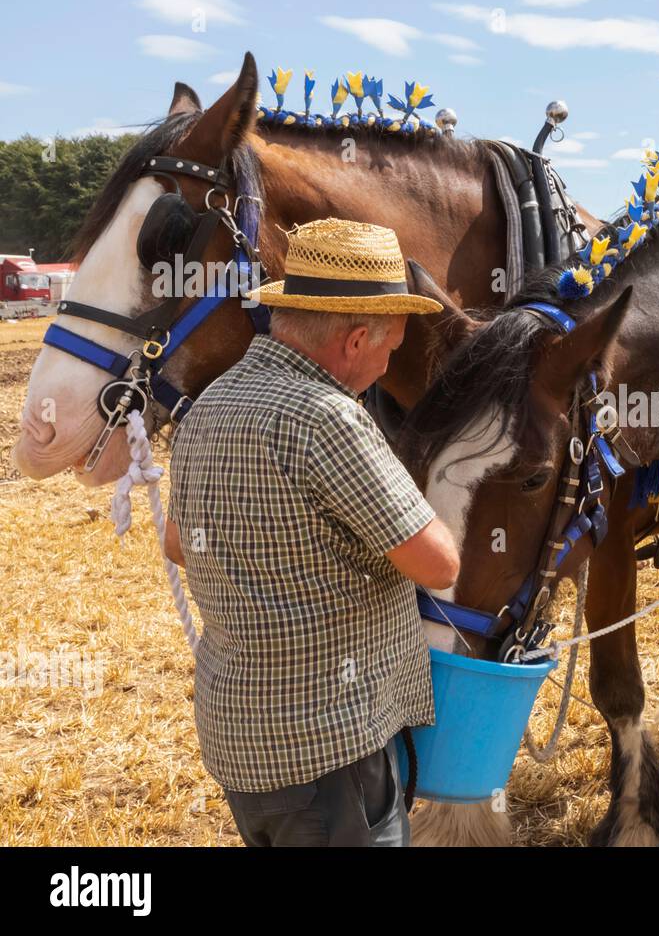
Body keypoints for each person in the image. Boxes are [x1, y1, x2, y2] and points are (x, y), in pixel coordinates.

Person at [163, 218, 459, 847]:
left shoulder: (209, 403)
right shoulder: (330, 420)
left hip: (239, 737)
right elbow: (439, 565)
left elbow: (175, 543)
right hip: (328, 747)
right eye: (389, 347)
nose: (386, 366)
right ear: (355, 340)